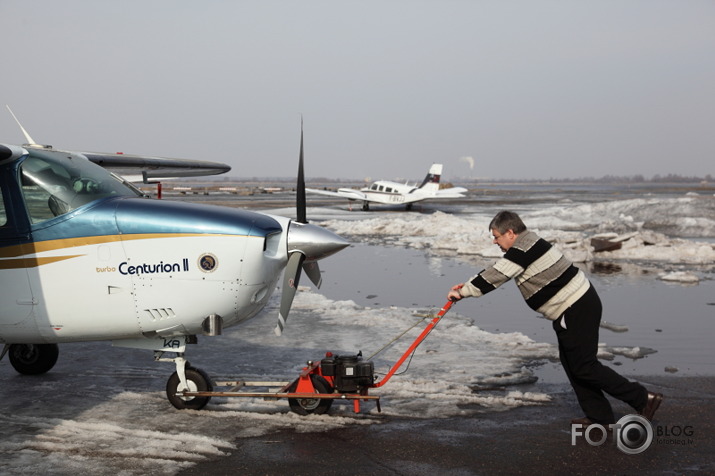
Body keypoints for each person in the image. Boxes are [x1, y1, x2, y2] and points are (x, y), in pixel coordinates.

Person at [447, 210, 663, 427]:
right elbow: (499, 269)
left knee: (584, 366)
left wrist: (464, 291)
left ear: (510, 233)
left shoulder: (523, 248)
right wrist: (467, 285)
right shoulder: (528, 243)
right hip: (575, 305)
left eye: (496, 236)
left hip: (575, 307)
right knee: (573, 363)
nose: (495, 241)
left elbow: (498, 274)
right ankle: (600, 417)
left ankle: (643, 399)